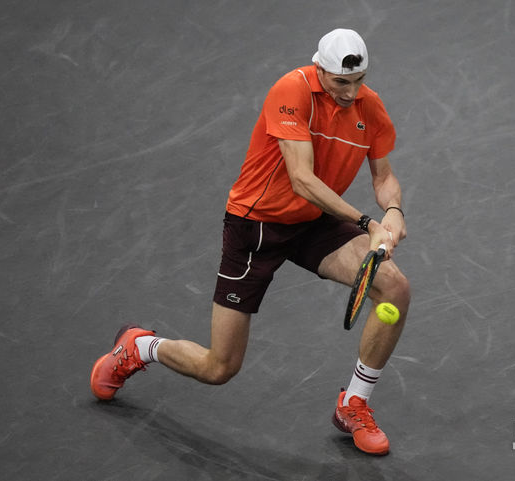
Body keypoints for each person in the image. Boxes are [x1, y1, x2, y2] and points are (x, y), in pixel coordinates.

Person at [90, 28, 410, 456]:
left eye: (359, 80)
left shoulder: (370, 107)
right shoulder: (292, 91)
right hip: (256, 226)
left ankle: (353, 403)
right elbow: (301, 180)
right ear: (319, 69)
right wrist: (369, 223)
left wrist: (394, 210)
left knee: (395, 287)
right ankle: (140, 346)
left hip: (314, 221)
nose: (351, 92)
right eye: (341, 82)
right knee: (219, 367)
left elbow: (384, 176)